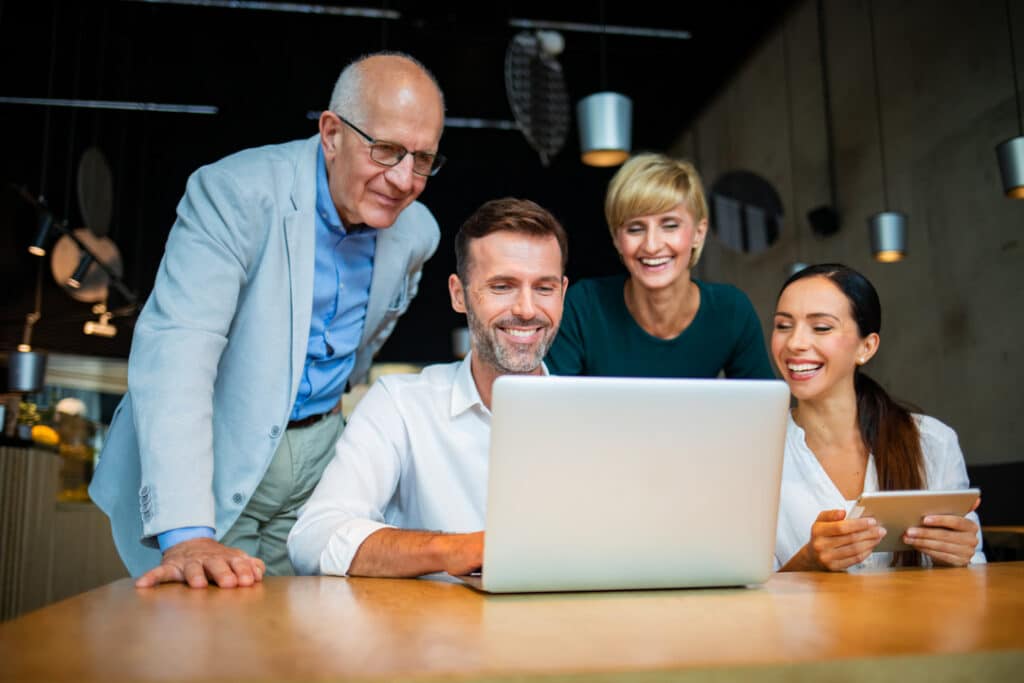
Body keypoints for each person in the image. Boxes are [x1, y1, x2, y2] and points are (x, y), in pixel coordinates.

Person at [89, 52, 446, 588]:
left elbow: (374, 331)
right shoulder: (235, 193)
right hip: (218, 451)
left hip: (320, 454)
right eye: (387, 150)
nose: (403, 180)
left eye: (423, 159)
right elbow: (177, 354)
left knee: (300, 636)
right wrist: (187, 534)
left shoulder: (418, 233)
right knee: (206, 640)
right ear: (331, 133)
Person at [287, 197, 568, 577]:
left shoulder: (596, 420)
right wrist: (457, 549)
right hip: (430, 632)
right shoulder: (400, 404)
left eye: (544, 288)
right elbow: (313, 538)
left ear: (563, 293)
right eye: (502, 286)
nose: (526, 308)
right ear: (459, 294)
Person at [771, 264, 985, 571]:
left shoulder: (932, 442)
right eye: (783, 326)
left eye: (821, 328)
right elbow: (742, 597)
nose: (794, 343)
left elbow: (977, 578)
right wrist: (807, 563)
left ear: (866, 347)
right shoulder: (755, 453)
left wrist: (956, 557)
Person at [545, 153, 773, 379]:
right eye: (635, 229)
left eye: (670, 225)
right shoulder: (583, 306)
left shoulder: (731, 311)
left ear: (698, 233)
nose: (652, 246)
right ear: (616, 239)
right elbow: (548, 406)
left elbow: (764, 409)